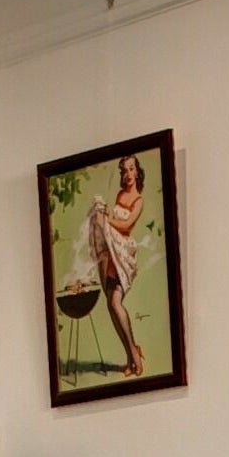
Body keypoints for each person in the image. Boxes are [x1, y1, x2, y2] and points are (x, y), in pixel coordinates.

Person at [81, 155, 147, 376]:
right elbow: (111, 226)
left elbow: (126, 224)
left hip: (123, 254)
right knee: (111, 305)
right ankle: (130, 355)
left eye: (131, 169)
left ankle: (135, 354)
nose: (127, 174)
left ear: (137, 172)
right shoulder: (120, 194)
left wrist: (107, 218)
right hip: (111, 252)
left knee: (116, 303)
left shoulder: (138, 200)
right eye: (124, 170)